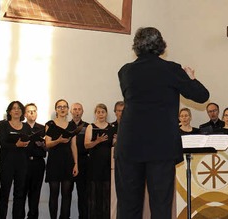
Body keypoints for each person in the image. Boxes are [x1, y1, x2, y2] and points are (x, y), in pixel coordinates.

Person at [115, 26, 210, 219]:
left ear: (136, 47)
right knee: (160, 206)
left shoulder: (125, 71)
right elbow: (202, 96)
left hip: (129, 144)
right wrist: (191, 79)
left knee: (127, 206)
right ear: (161, 46)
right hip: (161, 146)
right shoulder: (171, 69)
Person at [0, 101, 32, 219]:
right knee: (5, 193)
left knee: (19, 194)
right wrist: (16, 145)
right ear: (9, 111)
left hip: (22, 164)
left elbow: (29, 142)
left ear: (22, 112)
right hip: (7, 163)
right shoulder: (3, 125)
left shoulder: (26, 126)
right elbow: (3, 144)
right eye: (14, 108)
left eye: (19, 109)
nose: (16, 110)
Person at [45, 99, 79, 219]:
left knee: (66, 194)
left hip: (68, 161)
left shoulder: (72, 125)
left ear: (67, 109)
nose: (62, 109)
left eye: (64, 106)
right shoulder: (50, 124)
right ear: (56, 110)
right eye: (59, 107)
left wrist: (76, 164)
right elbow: (47, 144)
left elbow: (73, 146)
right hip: (54, 161)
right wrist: (58, 141)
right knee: (54, 194)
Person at [84, 104, 115, 219]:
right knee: (94, 194)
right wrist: (97, 141)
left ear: (106, 113)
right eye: (98, 112)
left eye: (103, 112)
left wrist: (116, 141)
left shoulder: (112, 127)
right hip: (94, 164)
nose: (101, 114)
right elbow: (86, 145)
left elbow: (114, 144)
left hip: (107, 164)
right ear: (95, 114)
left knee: (106, 194)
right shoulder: (90, 127)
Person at [24, 103, 46, 219]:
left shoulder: (42, 128)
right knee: (22, 192)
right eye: (29, 111)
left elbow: (47, 147)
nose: (32, 113)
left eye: (34, 111)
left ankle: (33, 216)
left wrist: (42, 144)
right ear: (25, 114)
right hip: (24, 163)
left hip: (38, 163)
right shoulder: (21, 127)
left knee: (35, 193)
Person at [70, 102, 89, 219]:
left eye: (79, 109)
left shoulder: (88, 126)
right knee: (67, 194)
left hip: (84, 163)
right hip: (69, 162)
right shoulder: (66, 126)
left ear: (82, 112)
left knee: (83, 194)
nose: (77, 111)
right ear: (71, 112)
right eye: (75, 109)